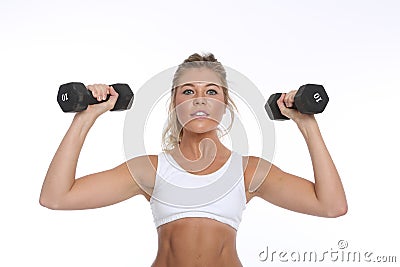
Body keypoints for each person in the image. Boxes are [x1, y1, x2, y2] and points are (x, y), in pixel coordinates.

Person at [39, 53, 347, 267]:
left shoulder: (248, 171)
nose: (200, 99)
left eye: (211, 91)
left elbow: (331, 206)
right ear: (175, 102)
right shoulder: (150, 170)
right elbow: (56, 197)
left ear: (225, 103)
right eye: (188, 91)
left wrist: (307, 124)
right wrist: (86, 117)